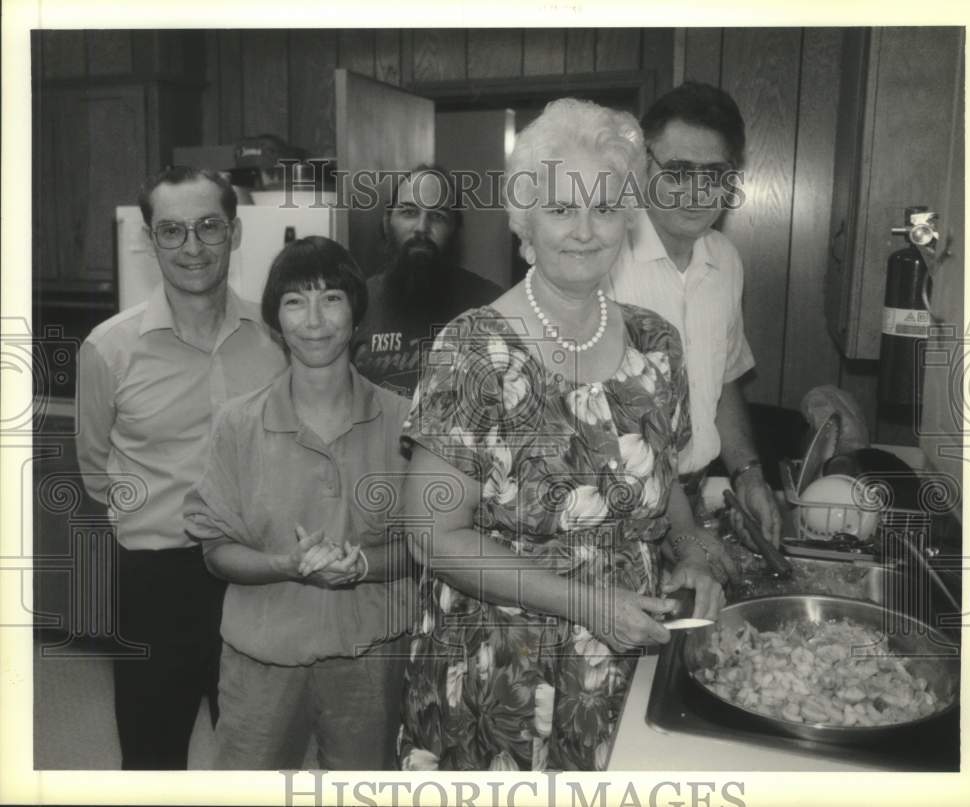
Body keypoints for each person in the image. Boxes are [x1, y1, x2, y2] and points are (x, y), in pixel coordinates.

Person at [396, 99, 738, 772]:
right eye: (560, 210)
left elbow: (666, 495)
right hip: (502, 679)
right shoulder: (475, 348)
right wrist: (590, 603)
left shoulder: (655, 345)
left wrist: (695, 551)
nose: (585, 231)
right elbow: (432, 535)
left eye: (606, 208)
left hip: (627, 662)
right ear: (524, 221)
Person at [75, 166, 286, 769]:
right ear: (149, 240)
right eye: (171, 231)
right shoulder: (108, 349)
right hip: (154, 583)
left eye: (207, 227)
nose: (191, 247)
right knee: (150, 759)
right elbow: (95, 469)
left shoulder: (276, 339)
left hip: (254, 577)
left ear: (235, 233)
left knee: (257, 757)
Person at [183, 236, 415, 769]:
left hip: (370, 659)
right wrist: (285, 565)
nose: (314, 319)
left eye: (331, 298)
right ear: (275, 321)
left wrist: (361, 565)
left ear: (356, 313)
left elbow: (426, 545)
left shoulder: (405, 422)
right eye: (294, 301)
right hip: (262, 662)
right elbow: (215, 548)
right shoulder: (238, 423)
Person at [606, 81, 783, 545]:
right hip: (613, 511)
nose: (697, 191)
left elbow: (723, 380)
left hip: (695, 497)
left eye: (715, 173)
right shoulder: (601, 257)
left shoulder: (725, 260)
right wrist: (678, 534)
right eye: (679, 170)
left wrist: (748, 475)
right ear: (643, 164)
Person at [351, 165, 504, 396]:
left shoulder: (492, 305)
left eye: (437, 216)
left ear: (455, 228)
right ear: (386, 221)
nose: (422, 228)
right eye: (409, 212)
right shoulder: (357, 302)